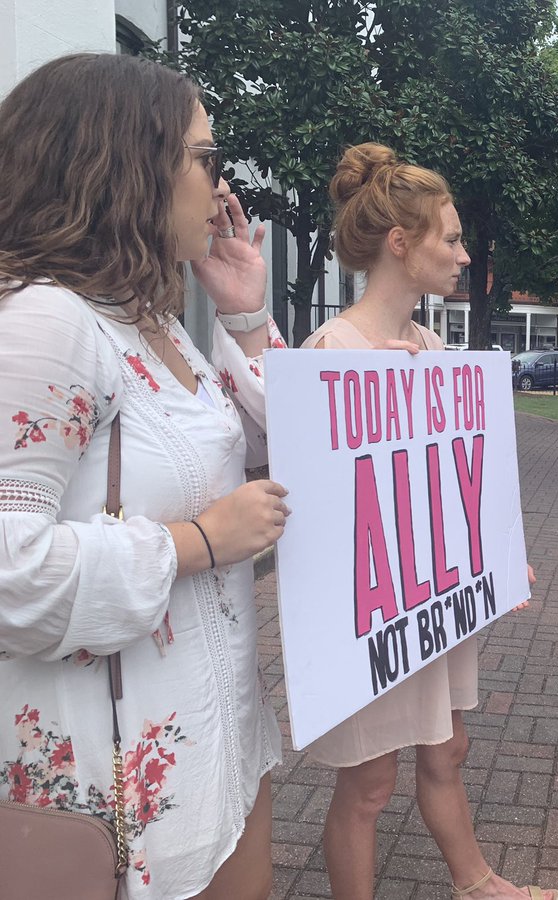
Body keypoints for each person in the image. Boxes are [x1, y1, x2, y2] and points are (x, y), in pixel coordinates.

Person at [0, 53, 289, 899]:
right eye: (204, 158)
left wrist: (248, 316)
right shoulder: (47, 321)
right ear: (127, 163)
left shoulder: (148, 319)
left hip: (212, 740)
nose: (220, 183)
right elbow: (9, 570)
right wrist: (199, 543)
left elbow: (267, 459)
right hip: (113, 782)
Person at [301, 142, 558, 900]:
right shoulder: (331, 351)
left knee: (446, 748)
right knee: (370, 782)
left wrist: (493, 561)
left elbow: (452, 488)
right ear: (400, 244)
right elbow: (326, 515)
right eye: (449, 238)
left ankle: (475, 881)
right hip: (375, 612)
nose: (463, 252)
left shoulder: (432, 347)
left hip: (429, 604)